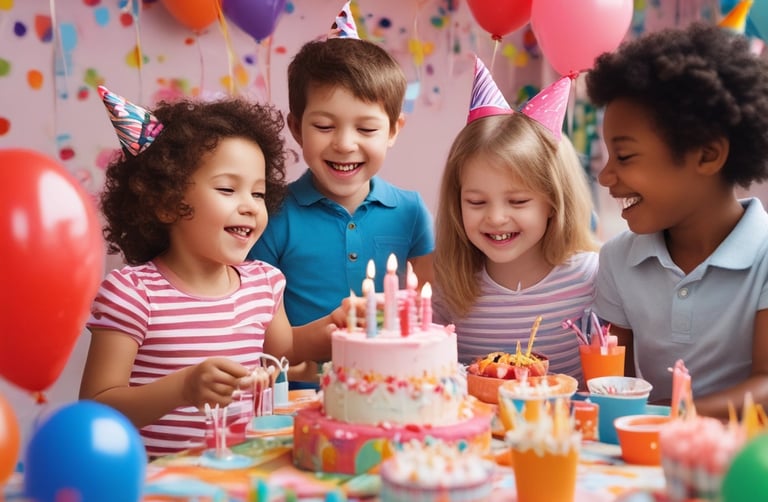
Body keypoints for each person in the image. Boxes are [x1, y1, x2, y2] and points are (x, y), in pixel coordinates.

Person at [80, 87, 348, 457]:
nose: (250, 207)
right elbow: (97, 407)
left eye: (258, 193)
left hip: (240, 474)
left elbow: (286, 352)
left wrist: (337, 324)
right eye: (227, 189)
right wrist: (184, 388)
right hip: (158, 482)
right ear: (166, 203)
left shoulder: (264, 283)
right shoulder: (133, 293)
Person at [586, 22, 768, 418]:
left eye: (626, 157)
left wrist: (670, 418)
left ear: (706, 155)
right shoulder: (618, 258)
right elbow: (609, 381)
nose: (605, 177)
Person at [247, 4, 434, 387]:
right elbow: (264, 345)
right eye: (325, 125)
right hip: (299, 405)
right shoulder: (272, 214)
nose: (345, 144)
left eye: (366, 128)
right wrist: (334, 333)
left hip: (396, 393)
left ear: (394, 130)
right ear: (297, 127)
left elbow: (427, 317)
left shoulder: (412, 212)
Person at [433, 57, 599, 380]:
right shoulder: (448, 286)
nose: (496, 217)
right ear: (457, 203)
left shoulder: (592, 279)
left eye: (518, 201)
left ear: (553, 201)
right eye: (477, 201)